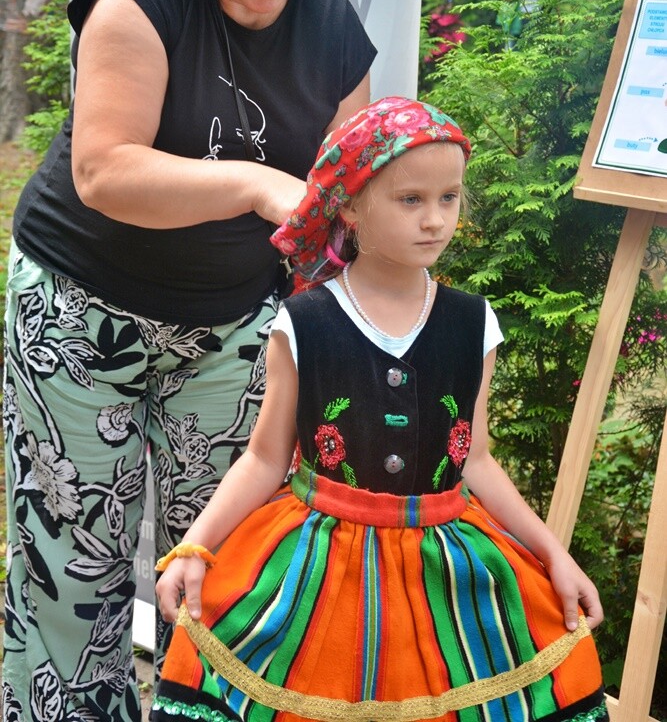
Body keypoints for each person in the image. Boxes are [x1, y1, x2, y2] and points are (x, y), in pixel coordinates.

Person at [2, 0, 376, 721]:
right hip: (79, 311)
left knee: (220, 557)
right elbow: (104, 172)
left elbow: (344, 192)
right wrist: (251, 182)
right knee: (72, 560)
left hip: (233, 324)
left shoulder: (330, 25)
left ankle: (194, 708)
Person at [151, 95, 609, 722]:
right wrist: (195, 547)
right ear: (350, 206)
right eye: (410, 199)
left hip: (444, 567)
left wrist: (553, 555)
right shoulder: (303, 321)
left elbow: (475, 459)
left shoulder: (473, 323)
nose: (435, 220)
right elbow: (263, 459)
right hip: (317, 566)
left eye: (449, 198)